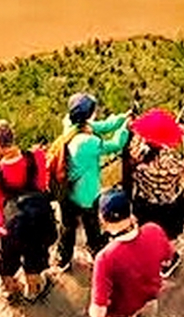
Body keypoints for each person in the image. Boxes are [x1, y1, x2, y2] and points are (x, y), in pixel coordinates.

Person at [0, 120, 57, 302]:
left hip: (7, 226)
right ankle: (33, 289)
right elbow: (40, 180)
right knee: (34, 258)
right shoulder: (37, 157)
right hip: (37, 219)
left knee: (7, 262)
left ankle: (10, 290)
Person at [89, 188, 174, 317]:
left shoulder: (105, 258)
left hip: (121, 313)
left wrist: (95, 316)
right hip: (149, 300)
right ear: (130, 211)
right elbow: (167, 259)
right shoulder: (154, 230)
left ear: (103, 220)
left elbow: (99, 311)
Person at [56, 93, 131, 271]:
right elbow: (115, 144)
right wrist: (125, 128)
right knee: (92, 225)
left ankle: (63, 259)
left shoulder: (69, 123)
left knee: (67, 226)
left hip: (65, 191)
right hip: (85, 194)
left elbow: (100, 126)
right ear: (89, 115)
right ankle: (96, 251)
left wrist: (121, 118)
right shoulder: (88, 142)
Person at [125, 107, 184, 276]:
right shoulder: (168, 160)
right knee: (168, 236)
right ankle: (167, 262)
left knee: (146, 231)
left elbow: (138, 135)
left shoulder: (135, 148)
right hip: (168, 207)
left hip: (143, 201)